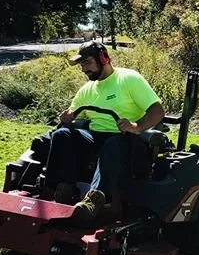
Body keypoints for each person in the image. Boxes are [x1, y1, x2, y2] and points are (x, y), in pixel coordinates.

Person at [45, 40, 164, 222]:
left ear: (103, 58)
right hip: (97, 138)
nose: (84, 70)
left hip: (128, 141)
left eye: (87, 63)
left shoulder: (129, 79)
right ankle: (62, 191)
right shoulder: (87, 90)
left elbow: (157, 111)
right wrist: (67, 117)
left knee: (112, 143)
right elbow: (73, 114)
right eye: (82, 65)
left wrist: (136, 126)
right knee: (62, 135)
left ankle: (94, 200)